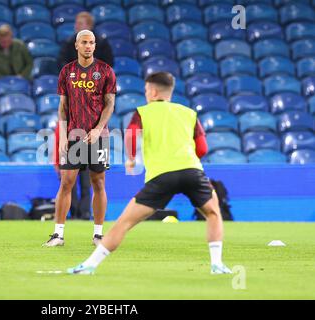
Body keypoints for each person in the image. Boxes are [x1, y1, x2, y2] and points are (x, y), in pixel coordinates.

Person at [67, 72, 232, 275]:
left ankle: (90, 265)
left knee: (125, 221)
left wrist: (132, 157)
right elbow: (203, 148)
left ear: (153, 92)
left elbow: (130, 135)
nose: (146, 94)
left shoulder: (143, 112)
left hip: (162, 176)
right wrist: (189, 157)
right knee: (214, 213)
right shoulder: (189, 113)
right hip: (192, 171)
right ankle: (217, 265)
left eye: (146, 90)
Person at [43, 30, 117, 247]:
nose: (88, 46)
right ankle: (58, 235)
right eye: (84, 42)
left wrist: (98, 129)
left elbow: (110, 104)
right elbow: (63, 107)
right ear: (76, 45)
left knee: (99, 182)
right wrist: (64, 133)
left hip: (98, 135)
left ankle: (99, 234)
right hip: (74, 134)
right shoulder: (67, 72)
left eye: (92, 42)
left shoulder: (105, 71)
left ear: (95, 45)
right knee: (66, 183)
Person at [54, 125, 91, 220]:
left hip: (86, 155)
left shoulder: (86, 119)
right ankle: (74, 213)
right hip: (68, 155)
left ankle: (85, 213)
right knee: (69, 187)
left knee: (86, 185)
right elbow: (58, 142)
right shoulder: (62, 123)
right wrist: (57, 162)